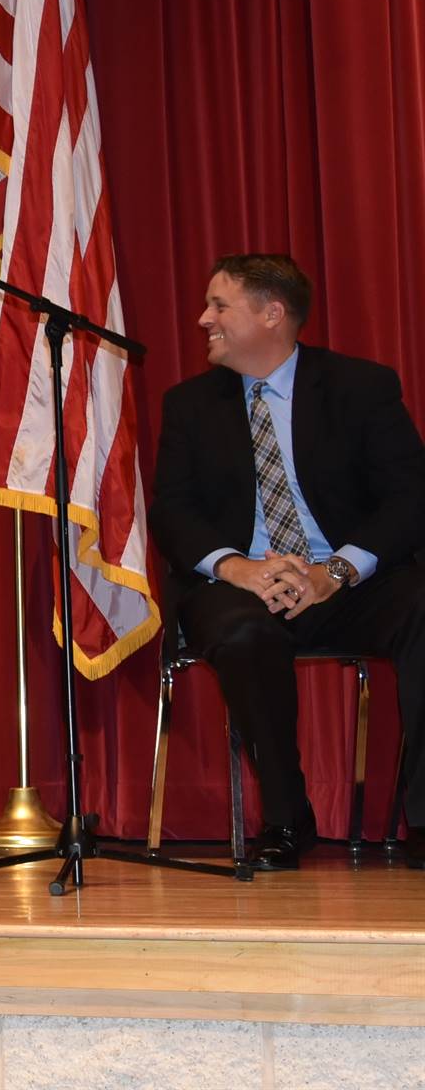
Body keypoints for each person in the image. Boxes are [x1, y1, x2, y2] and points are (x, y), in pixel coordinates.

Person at [151, 254, 425, 870]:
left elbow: (411, 495)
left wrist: (339, 571)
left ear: (273, 314)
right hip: (240, 581)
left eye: (220, 306)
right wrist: (235, 567)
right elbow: (172, 511)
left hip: (344, 581)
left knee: (423, 607)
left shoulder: (361, 387)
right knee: (243, 632)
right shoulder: (190, 405)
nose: (203, 319)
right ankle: (286, 815)